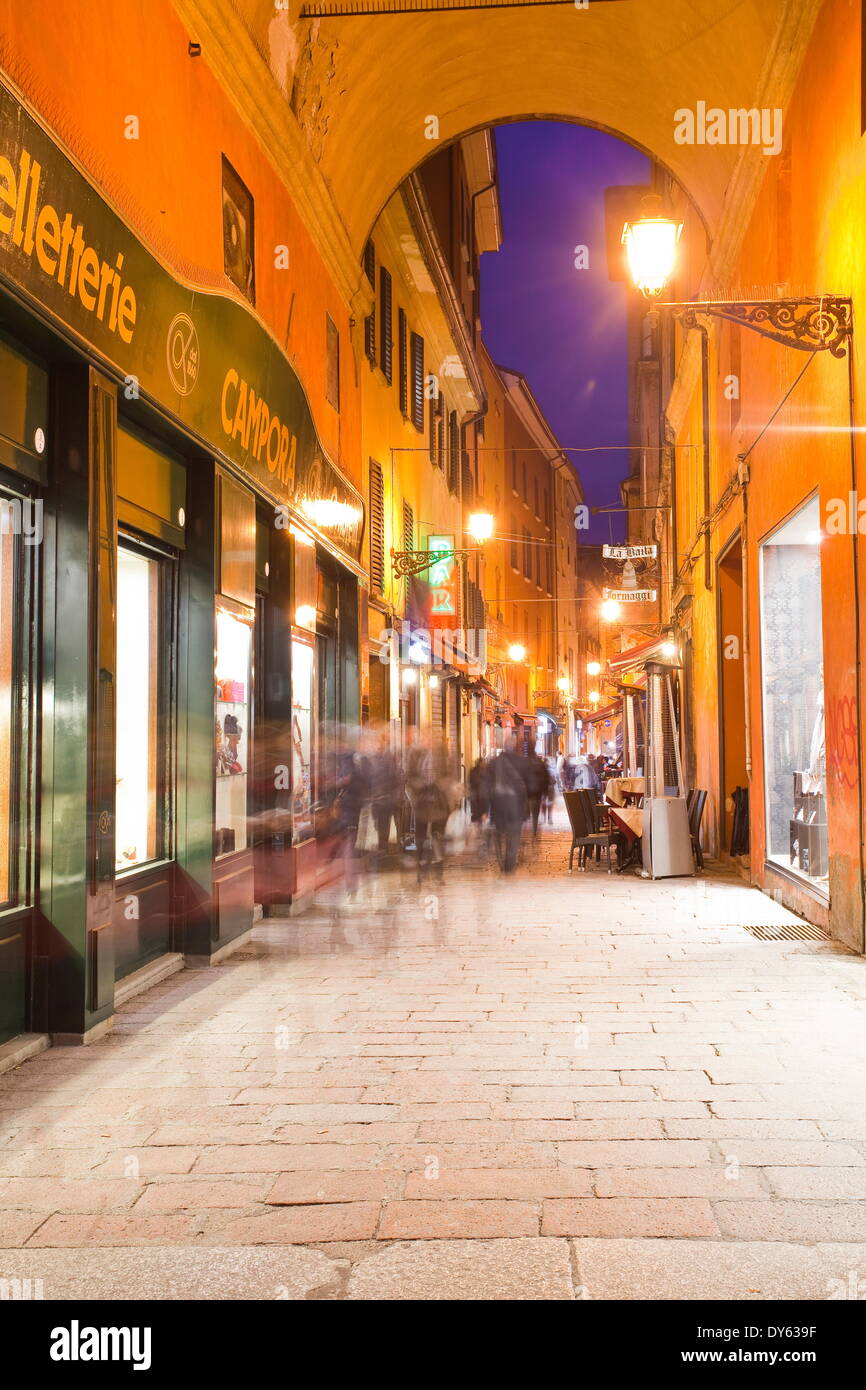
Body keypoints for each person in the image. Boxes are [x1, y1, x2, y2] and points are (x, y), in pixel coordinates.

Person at [489, 738, 529, 873]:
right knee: (514, 834)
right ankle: (510, 863)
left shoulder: (494, 762)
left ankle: (501, 859)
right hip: (516, 805)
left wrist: (483, 807)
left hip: (498, 805)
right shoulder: (522, 762)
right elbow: (527, 785)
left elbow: (487, 784)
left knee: (499, 833)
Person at [367, 729, 403, 862]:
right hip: (376, 798)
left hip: (385, 799)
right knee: (378, 825)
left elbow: (395, 778)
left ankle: (382, 852)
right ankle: (380, 850)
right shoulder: (372, 757)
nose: (375, 743)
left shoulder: (388, 757)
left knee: (383, 826)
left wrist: (392, 797)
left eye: (378, 741)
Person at [525, 747, 552, 837]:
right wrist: (545, 792)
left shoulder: (526, 764)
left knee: (530, 808)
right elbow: (546, 778)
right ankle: (534, 829)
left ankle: (531, 824)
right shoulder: (541, 764)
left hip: (529, 792)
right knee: (536, 811)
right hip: (538, 792)